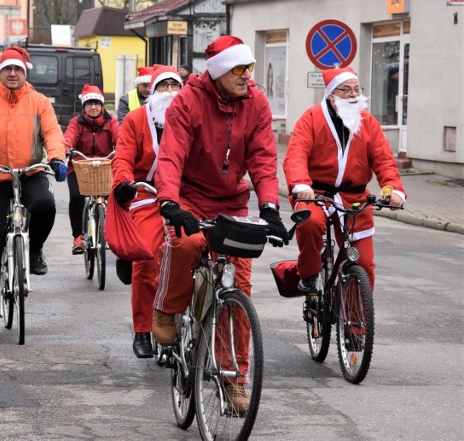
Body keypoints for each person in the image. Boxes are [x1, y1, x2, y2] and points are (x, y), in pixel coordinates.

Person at [152, 36, 289, 412]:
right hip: (189, 196)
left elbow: (263, 158)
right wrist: (168, 201)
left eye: (250, 68)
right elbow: (171, 156)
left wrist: (271, 207)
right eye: (239, 69)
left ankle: (232, 381)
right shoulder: (188, 101)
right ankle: (166, 305)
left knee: (238, 288)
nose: (248, 76)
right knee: (185, 244)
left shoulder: (256, 103)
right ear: (218, 72)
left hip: (232, 202)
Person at [0, 47, 68, 318]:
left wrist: (56, 157)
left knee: (46, 204)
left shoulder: (39, 101)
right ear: (0, 73)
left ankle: (35, 250)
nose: (12, 73)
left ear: (24, 73)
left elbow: (52, 132)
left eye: (17, 69)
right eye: (7, 69)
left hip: (30, 172)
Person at [283, 66, 406, 293]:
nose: (353, 95)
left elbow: (383, 159)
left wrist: (393, 189)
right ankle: (309, 273)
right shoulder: (310, 119)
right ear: (331, 95)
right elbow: (296, 154)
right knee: (309, 223)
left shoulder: (368, 122)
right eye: (346, 90)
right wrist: (301, 184)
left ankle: (357, 326)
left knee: (364, 263)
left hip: (354, 197)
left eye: (356, 89)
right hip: (315, 195)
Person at [111, 65, 183, 358]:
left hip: (181, 196)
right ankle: (142, 329)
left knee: (192, 255)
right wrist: (123, 183)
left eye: (174, 86)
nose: (169, 93)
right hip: (146, 194)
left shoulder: (189, 119)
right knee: (146, 258)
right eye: (163, 87)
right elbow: (124, 156)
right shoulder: (135, 119)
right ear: (151, 93)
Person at [64, 84, 120, 254]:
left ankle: (113, 233)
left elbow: (121, 137)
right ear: (84, 107)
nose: (93, 107)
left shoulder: (111, 121)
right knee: (76, 197)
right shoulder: (76, 122)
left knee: (116, 196)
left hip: (105, 166)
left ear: (102, 106)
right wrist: (65, 148)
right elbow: (68, 137)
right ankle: (78, 236)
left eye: (96, 103)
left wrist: (123, 148)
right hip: (80, 167)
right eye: (89, 104)